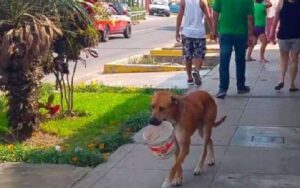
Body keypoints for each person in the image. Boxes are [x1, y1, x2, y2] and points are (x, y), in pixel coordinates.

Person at [213, 0, 254, 99]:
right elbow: (250, 18)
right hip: (241, 33)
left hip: (225, 32)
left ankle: (223, 89)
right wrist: (250, 35)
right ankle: (241, 86)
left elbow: (215, 13)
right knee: (240, 60)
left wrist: (214, 30)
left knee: (224, 61)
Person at [176, 0, 213, 86]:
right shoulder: (202, 1)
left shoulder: (184, 1)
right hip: (199, 34)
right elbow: (208, 16)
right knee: (199, 55)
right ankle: (196, 71)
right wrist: (212, 30)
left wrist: (177, 31)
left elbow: (180, 16)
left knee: (187, 56)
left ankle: (189, 77)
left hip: (187, 33)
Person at [270, 0, 300, 92]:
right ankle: (292, 84)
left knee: (284, 58)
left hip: (283, 35)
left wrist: (272, 32)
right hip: (297, 35)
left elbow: (276, 19)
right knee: (294, 60)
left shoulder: (281, 2)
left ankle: (281, 79)